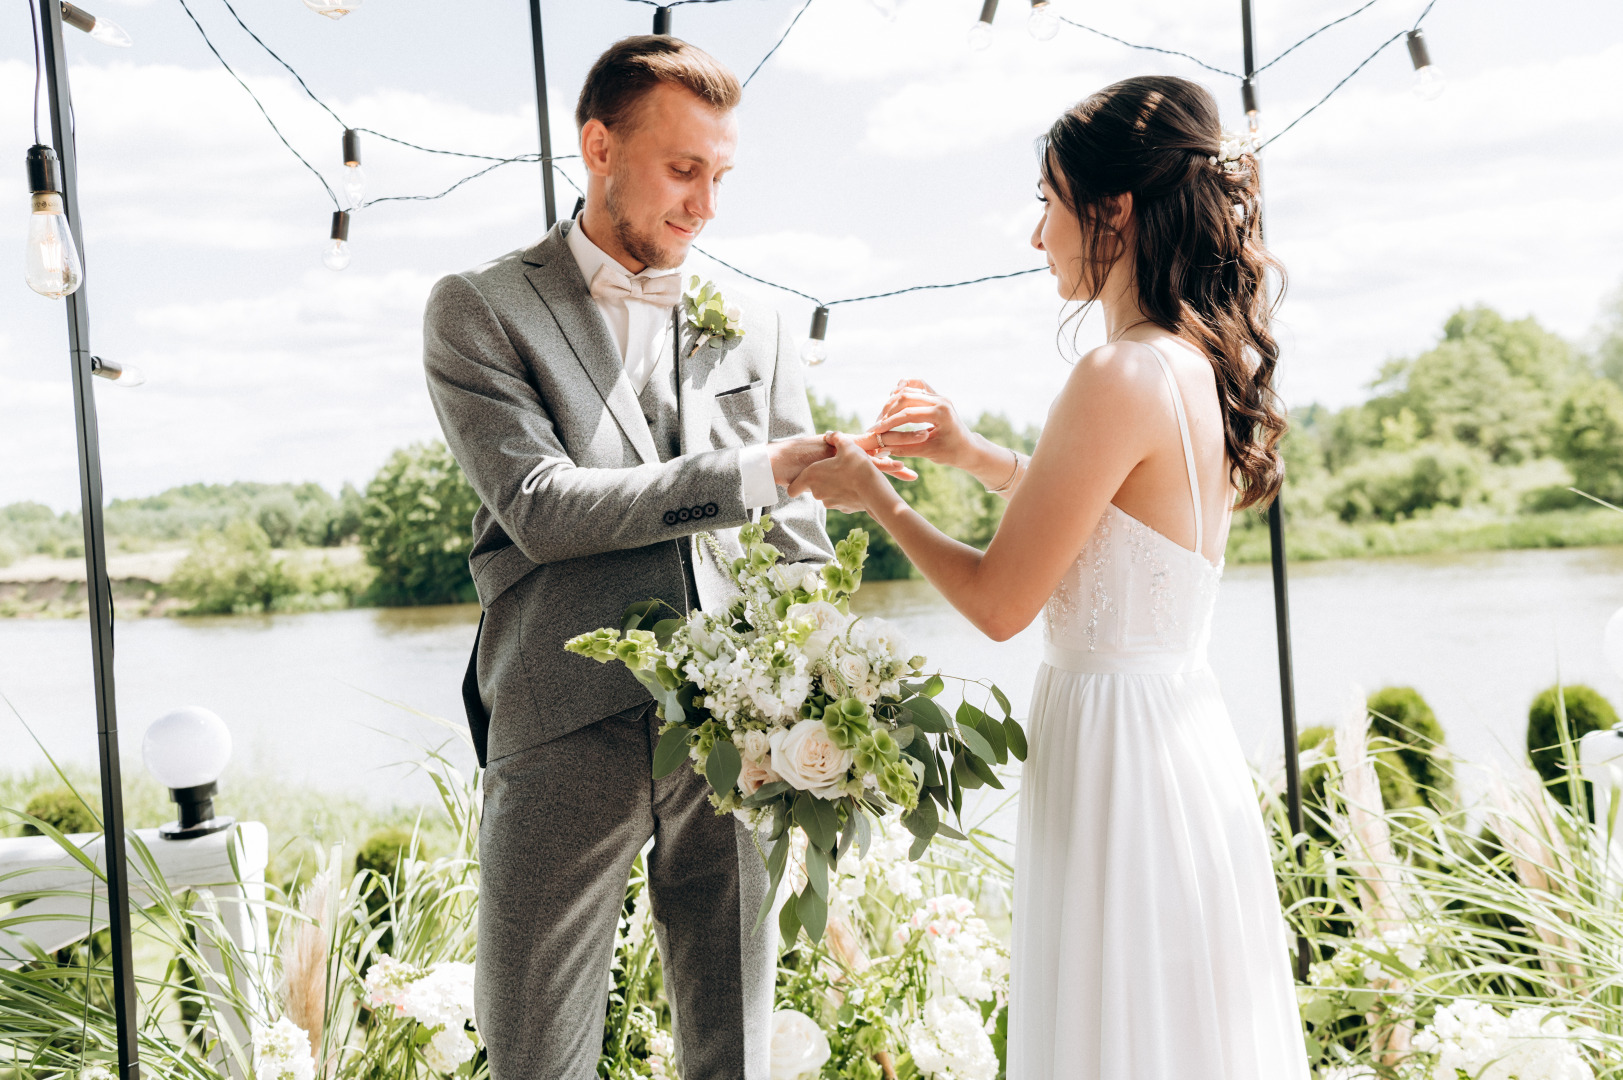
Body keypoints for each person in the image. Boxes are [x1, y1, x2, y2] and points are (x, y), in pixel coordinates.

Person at [788, 76, 1310, 1078]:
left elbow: (997, 603)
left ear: (1110, 210)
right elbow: (1116, 525)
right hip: (1173, 735)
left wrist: (878, 498)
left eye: (1046, 203)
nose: (1036, 239)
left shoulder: (1114, 374)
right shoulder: (1186, 361)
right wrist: (971, 454)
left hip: (1117, 749)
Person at [420, 36, 879, 1080]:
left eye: (721, 175)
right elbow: (541, 508)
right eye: (684, 169)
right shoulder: (481, 308)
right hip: (562, 720)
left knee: (738, 1052)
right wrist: (757, 469)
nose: (706, 205)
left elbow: (795, 540)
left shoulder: (755, 321)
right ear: (598, 147)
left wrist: (816, 699)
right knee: (535, 1051)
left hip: (738, 742)